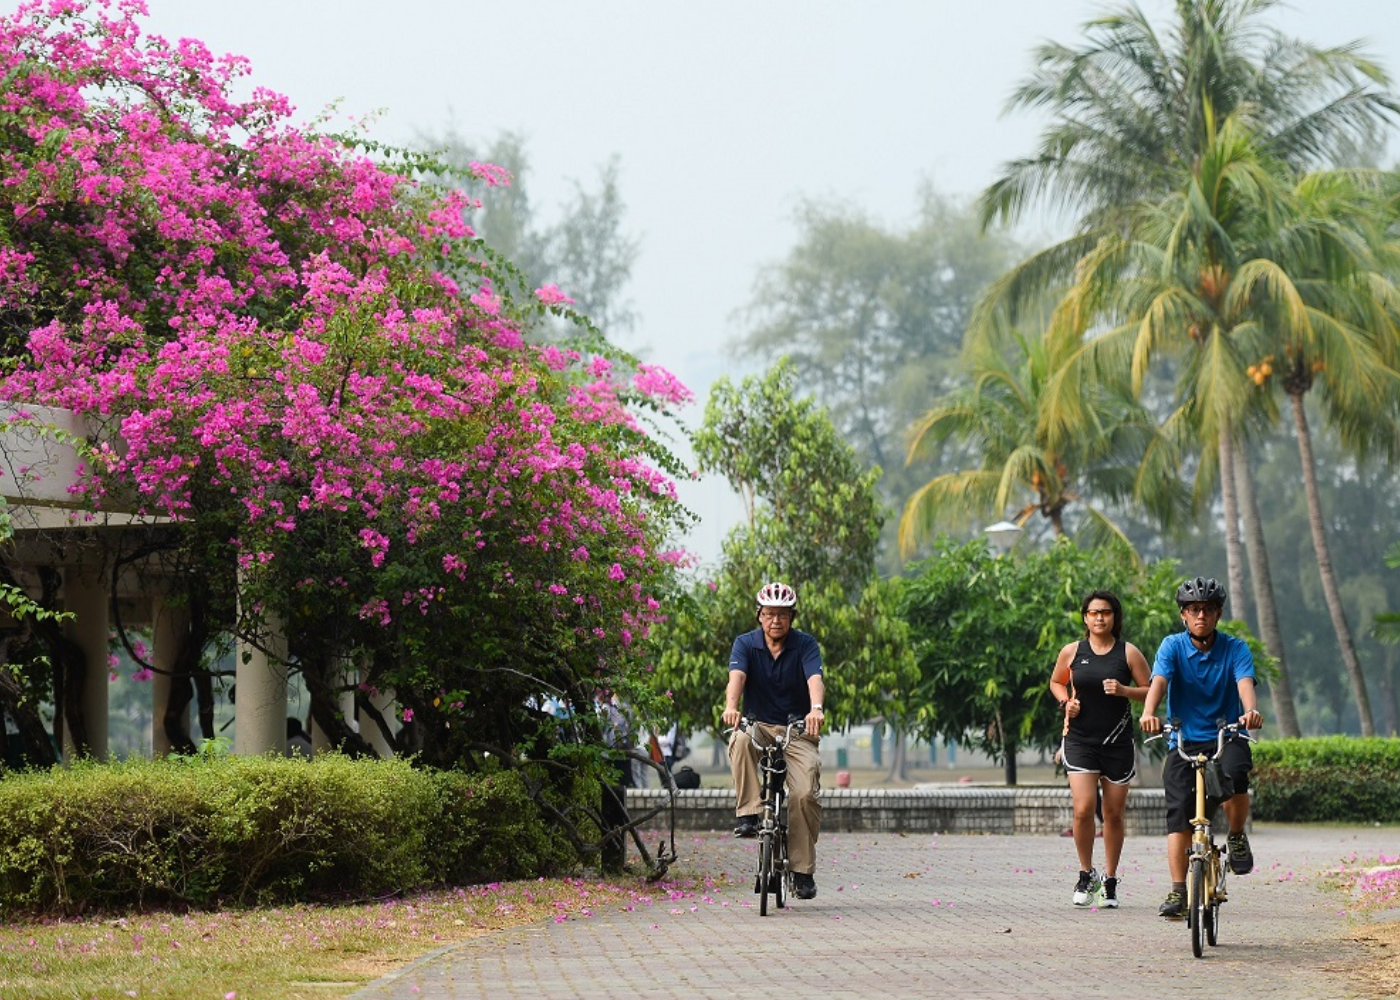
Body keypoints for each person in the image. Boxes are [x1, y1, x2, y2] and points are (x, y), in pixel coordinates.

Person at [1140, 576, 1263, 918]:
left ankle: (1236, 835)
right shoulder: (1172, 646)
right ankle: (1179, 891)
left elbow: (1244, 684)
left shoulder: (1235, 648)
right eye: (1193, 610)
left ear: (1218, 614)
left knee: (1237, 775)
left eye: (1208, 610)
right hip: (1184, 738)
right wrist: (1149, 713)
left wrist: (1250, 712)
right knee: (1178, 814)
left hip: (1228, 733)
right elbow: (1159, 681)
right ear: (1183, 614)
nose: (1201, 616)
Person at [721, 581, 825, 901]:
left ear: (792, 617)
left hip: (797, 729)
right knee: (738, 740)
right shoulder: (745, 644)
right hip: (759, 725)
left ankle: (802, 871)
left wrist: (816, 709)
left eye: (782, 615)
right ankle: (749, 813)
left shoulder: (806, 646)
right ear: (759, 616)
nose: (775, 621)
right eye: (769, 614)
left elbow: (815, 680)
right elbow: (735, 679)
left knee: (805, 792)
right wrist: (731, 707)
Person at [1049, 590, 1152, 908]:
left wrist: (1124, 690)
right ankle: (1085, 873)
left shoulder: (1128, 654)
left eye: (1105, 612)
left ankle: (1109, 880)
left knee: (1113, 815)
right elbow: (1056, 682)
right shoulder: (1072, 652)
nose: (1099, 617)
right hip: (1080, 740)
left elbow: (1151, 691)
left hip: (1117, 742)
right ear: (1085, 617)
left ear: (1114, 617)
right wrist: (1067, 703)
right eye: (1093, 612)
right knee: (1082, 810)